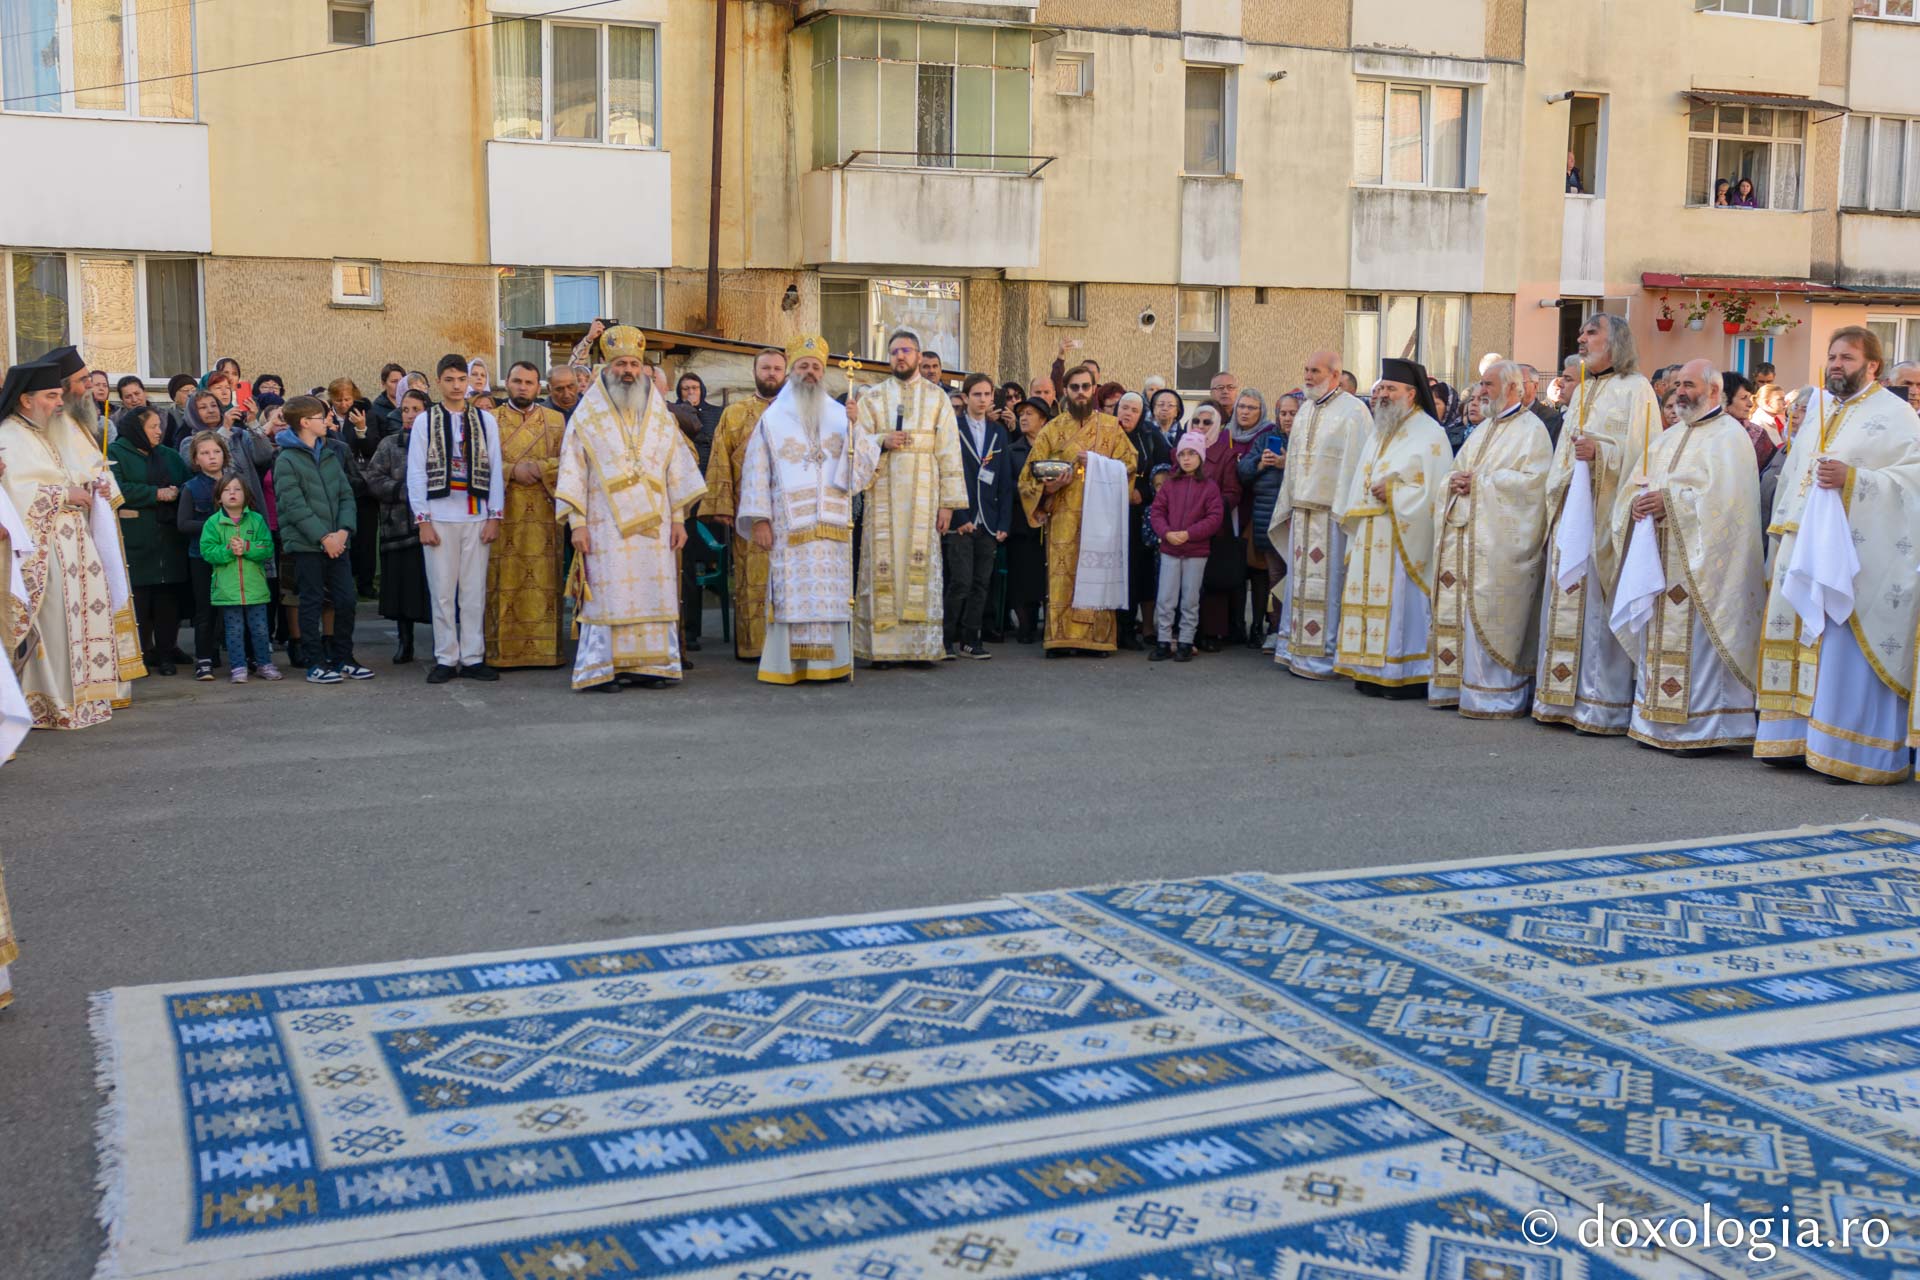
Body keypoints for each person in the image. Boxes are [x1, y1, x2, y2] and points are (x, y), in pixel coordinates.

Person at [1756, 329, 1920, 782]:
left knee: (1843, 647)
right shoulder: (1821, 410)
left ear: (1872, 366)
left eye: (1846, 357)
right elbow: (1793, 475)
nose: (1834, 365)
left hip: (1857, 552)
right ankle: (1792, 738)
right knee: (1799, 637)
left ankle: (1849, 749)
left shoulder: (1897, 414)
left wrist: (1855, 481)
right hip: (1802, 542)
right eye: (1831, 357)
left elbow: (1912, 482)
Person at [1609, 359, 1762, 753]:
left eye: (1688, 384)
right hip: (1658, 559)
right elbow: (1635, 485)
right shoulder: (1668, 437)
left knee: (1698, 640)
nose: (1679, 391)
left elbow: (1728, 505)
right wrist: (1636, 505)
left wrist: (1670, 501)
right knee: (1657, 637)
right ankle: (1655, 722)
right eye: (1677, 383)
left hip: (1703, 568)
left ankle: (1705, 727)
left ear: (1713, 391)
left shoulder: (1730, 437)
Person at [555, 326, 705, 691]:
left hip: (655, 526)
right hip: (605, 525)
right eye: (621, 363)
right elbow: (572, 469)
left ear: (642, 369)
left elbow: (676, 468)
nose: (628, 371)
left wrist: (679, 520)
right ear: (606, 368)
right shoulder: (586, 416)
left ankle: (652, 666)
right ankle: (604, 668)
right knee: (609, 598)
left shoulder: (658, 413)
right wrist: (577, 524)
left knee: (653, 593)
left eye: (634, 365)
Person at [1533, 313, 1658, 733]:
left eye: (1591, 333)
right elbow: (1562, 457)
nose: (1582, 339)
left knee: (1596, 610)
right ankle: (1559, 699)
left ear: (1616, 342)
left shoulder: (1636, 389)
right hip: (1573, 511)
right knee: (1567, 598)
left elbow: (1643, 454)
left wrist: (1599, 454)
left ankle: (1599, 703)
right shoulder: (1584, 390)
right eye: (1581, 332)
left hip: (1605, 515)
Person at [736, 334, 881, 684]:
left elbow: (860, 471)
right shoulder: (772, 420)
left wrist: (857, 426)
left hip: (832, 526)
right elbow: (756, 470)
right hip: (790, 527)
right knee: (792, 597)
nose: (811, 373)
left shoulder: (839, 414)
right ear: (792, 372)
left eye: (816, 367)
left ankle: (829, 666)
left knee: (830, 597)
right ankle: (789, 668)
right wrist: (759, 520)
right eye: (803, 366)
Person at [1429, 361, 1551, 717]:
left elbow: (1534, 486)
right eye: (1481, 384)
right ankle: (1459, 686)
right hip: (1468, 537)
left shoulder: (1532, 431)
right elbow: (1455, 471)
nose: (1481, 391)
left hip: (1499, 547)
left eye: (1488, 384)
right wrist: (1451, 484)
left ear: (1513, 388)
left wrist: (1479, 484)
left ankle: (1494, 694)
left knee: (1493, 614)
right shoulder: (1482, 430)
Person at [1335, 358, 1452, 697]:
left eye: (1391, 389)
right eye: (1381, 388)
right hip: (1371, 531)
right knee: (1366, 600)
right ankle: (1369, 670)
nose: (1383, 395)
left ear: (1411, 394)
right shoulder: (1380, 429)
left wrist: (1396, 492)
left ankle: (1406, 674)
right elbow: (1362, 474)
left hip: (1404, 534)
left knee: (1401, 604)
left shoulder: (1431, 433)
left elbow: (1436, 489)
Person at [851, 329, 964, 668]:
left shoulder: (938, 398)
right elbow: (857, 444)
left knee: (921, 566)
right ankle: (881, 649)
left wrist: (948, 504)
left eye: (907, 350)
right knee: (882, 567)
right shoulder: (872, 398)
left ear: (918, 355)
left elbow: (949, 452)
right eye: (895, 351)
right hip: (882, 493)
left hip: (925, 496)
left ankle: (920, 648)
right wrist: (882, 439)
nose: (900, 356)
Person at [1018, 364, 1139, 656]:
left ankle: (1096, 639)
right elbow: (1026, 478)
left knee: (1095, 574)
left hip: (1100, 519)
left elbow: (1130, 465)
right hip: (1062, 516)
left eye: (1086, 387)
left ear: (1094, 390)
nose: (1081, 393)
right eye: (1075, 388)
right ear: (1066, 391)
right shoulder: (1052, 429)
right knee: (1063, 576)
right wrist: (1048, 489)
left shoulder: (1111, 428)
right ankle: (1060, 639)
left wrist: (1099, 463)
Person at [1270, 350, 1371, 678]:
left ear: (1335, 374)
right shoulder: (1304, 410)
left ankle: (1325, 656)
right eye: (1306, 369)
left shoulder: (1354, 411)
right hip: (1302, 512)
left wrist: (1347, 510)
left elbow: (1358, 464)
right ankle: (1295, 649)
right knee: (1300, 583)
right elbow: (1295, 463)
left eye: (1315, 370)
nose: (1308, 376)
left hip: (1332, 516)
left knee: (1329, 586)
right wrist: (1288, 504)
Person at [408, 354, 504, 683]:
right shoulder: (425, 420)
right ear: (439, 382)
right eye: (449, 380)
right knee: (443, 592)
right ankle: (446, 657)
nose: (455, 386)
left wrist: (495, 515)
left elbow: (496, 470)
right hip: (439, 517)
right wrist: (422, 519)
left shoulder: (485, 420)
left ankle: (474, 656)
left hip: (476, 516)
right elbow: (416, 472)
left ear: (469, 382)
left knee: (474, 591)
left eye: (461, 380)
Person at [273, 395, 370, 684]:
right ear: (305, 422)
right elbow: (294, 505)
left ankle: (343, 657)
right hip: (307, 546)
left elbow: (345, 496)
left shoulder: (329, 453)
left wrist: (342, 532)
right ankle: (315, 662)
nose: (327, 422)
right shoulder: (286, 459)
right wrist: (323, 537)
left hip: (338, 542)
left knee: (346, 600)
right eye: (321, 418)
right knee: (311, 601)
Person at [702, 348, 785, 661]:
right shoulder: (734, 413)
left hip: (791, 510)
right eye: (766, 368)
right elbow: (720, 460)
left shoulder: (797, 411)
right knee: (751, 578)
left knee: (788, 578)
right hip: (749, 509)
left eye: (777, 368)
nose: (771, 374)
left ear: (785, 374)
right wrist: (722, 505)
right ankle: (755, 645)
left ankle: (790, 642)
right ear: (755, 372)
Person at [487, 360, 568, 669]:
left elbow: (570, 461)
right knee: (501, 579)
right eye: (517, 381)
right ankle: (501, 652)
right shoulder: (489, 420)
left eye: (529, 382)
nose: (523, 387)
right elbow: (479, 462)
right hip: (503, 512)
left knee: (545, 580)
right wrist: (511, 471)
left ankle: (546, 652)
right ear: (507, 383)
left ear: (539, 387)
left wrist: (538, 468)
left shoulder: (556, 421)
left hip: (545, 515)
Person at [108, 407, 190, 675]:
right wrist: (155, 494)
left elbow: (186, 483)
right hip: (136, 538)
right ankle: (141, 653)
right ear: (136, 429)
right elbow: (117, 488)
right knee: (140, 598)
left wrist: (177, 492)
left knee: (168, 597)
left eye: (160, 426)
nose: (159, 431)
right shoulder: (116, 454)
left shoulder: (168, 455)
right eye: (153, 426)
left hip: (168, 539)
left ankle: (167, 653)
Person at [944, 373, 1012, 660]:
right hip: (963, 519)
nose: (983, 400)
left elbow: (1005, 482)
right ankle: (946, 638)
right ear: (966, 397)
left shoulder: (998, 433)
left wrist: (1003, 523)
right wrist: (959, 516)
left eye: (987, 395)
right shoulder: (953, 429)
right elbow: (947, 474)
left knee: (981, 582)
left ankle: (971, 639)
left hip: (989, 520)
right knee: (960, 581)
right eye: (977, 395)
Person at [364, 388, 432, 663]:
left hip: (433, 528)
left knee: (432, 588)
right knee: (402, 589)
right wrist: (405, 490)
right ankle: (406, 642)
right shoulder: (390, 444)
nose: (410, 415)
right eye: (406, 409)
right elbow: (372, 477)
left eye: (416, 409)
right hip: (398, 526)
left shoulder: (437, 443)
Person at [1148, 430, 1223, 663]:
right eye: (1183, 454)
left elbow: (1214, 518)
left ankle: (1185, 642)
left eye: (1192, 453)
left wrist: (1189, 534)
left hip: (1196, 552)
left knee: (1190, 598)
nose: (1187, 459)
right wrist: (1167, 533)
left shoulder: (1209, 488)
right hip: (1170, 549)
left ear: (1200, 457)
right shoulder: (1170, 485)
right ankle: (1163, 640)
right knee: (1165, 598)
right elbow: (1157, 512)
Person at [199, 474, 281, 683]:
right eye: (227, 490)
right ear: (219, 498)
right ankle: (238, 667)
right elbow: (207, 551)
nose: (232, 493)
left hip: (255, 587)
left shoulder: (257, 520)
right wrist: (228, 550)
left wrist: (247, 547)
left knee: (261, 629)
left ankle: (264, 663)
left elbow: (267, 548)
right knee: (234, 631)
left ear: (246, 495)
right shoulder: (213, 523)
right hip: (228, 589)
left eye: (237, 489)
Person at [1240, 392, 1294, 651]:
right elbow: (1243, 471)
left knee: (1299, 577)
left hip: (1295, 519)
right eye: (1283, 413)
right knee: (1276, 577)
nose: (1287, 418)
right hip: (1269, 518)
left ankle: (1297, 629)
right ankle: (1275, 628)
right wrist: (1261, 464)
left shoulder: (1307, 441)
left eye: (1293, 413)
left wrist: (1287, 464)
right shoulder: (1264, 439)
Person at [177, 430, 232, 678]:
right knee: (205, 609)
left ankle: (241, 656)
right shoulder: (191, 487)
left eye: (216, 452)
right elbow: (184, 523)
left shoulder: (235, 484)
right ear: (196, 459)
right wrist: (215, 525)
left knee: (232, 607)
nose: (212, 457)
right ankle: (204, 658)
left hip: (232, 555)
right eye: (205, 453)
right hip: (201, 556)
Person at [1119, 390, 1169, 648]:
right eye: (1123, 408)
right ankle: (1121, 628)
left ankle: (1146, 627)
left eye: (1133, 410)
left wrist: (1144, 493)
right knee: (1119, 571)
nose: (1127, 413)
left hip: (1143, 513)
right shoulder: (1106, 433)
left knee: (1142, 570)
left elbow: (1165, 472)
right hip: (1112, 513)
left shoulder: (1151, 436)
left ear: (1141, 415)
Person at [1004, 398, 1049, 644]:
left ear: (1043, 420)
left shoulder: (1054, 449)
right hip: (1021, 523)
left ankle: (1048, 625)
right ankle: (1025, 624)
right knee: (1022, 576)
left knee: (1044, 577)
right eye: (1021, 413)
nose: (1023, 418)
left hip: (1048, 521)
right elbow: (1006, 484)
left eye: (1030, 413)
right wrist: (1030, 491)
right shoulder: (1013, 450)